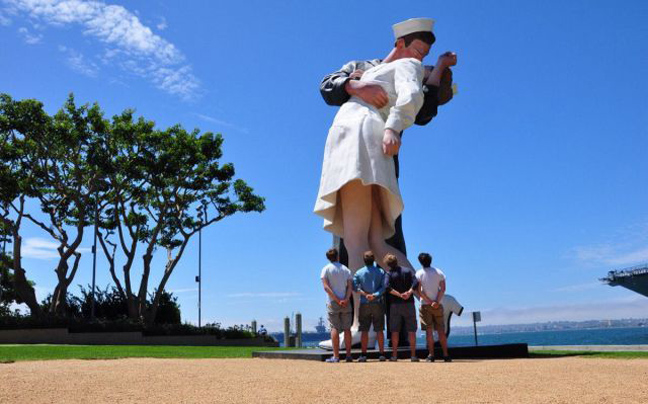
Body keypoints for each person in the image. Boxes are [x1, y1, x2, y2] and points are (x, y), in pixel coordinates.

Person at [415, 252, 451, 362]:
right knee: (441, 330)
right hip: (437, 305)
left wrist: (429, 301)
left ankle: (431, 355)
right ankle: (446, 355)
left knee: (429, 331)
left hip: (425, 305)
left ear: (420, 262)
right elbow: (443, 289)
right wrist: (436, 301)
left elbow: (419, 291)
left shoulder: (419, 273)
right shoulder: (439, 272)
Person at [353, 251, 387, 362]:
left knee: (364, 330)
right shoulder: (381, 271)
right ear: (374, 259)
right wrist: (375, 295)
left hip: (364, 303)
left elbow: (355, 287)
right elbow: (384, 287)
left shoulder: (358, 272)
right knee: (380, 329)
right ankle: (381, 354)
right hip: (377, 302)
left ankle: (363, 354)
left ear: (364, 260)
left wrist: (365, 294)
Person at [320, 248, 353, 363]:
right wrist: (346, 299)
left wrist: (337, 300)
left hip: (333, 302)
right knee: (347, 329)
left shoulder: (325, 269)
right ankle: (349, 355)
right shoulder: (346, 270)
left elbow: (326, 287)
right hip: (346, 301)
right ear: (337, 256)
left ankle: (336, 356)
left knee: (334, 328)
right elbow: (350, 286)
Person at [384, 253, 419, 361]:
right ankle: (413, 355)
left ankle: (394, 355)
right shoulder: (407, 271)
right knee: (411, 330)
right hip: (409, 304)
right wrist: (408, 293)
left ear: (388, 264)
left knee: (395, 331)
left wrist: (399, 294)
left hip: (395, 305)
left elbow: (386, 287)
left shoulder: (389, 274)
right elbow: (416, 282)